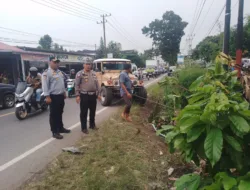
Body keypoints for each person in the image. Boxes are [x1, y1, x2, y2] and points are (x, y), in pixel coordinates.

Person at [42, 56, 71, 139]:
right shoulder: (46, 73)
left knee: (60, 113)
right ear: (50, 62)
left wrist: (64, 92)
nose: (57, 64)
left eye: (57, 62)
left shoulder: (59, 72)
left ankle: (61, 128)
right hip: (53, 96)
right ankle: (54, 131)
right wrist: (47, 96)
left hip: (61, 96)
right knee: (54, 115)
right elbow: (45, 86)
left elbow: (61, 83)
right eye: (55, 62)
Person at [75, 62, 100, 134]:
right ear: (83, 65)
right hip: (84, 95)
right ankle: (84, 128)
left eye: (89, 64)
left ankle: (92, 125)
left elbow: (97, 84)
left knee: (93, 111)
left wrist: (98, 93)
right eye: (87, 64)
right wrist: (77, 95)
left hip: (93, 95)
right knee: (84, 112)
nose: (88, 66)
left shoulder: (94, 73)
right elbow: (76, 85)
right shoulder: (80, 73)